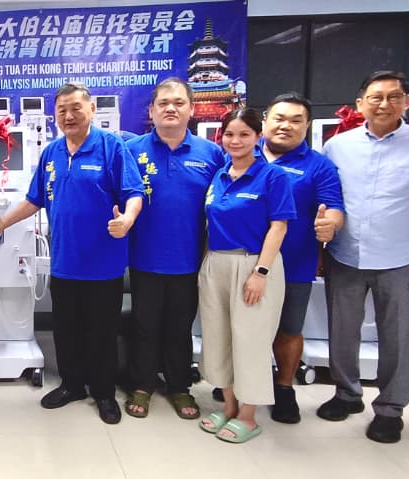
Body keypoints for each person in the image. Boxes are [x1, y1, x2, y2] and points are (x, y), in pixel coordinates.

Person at [319, 70, 409, 444]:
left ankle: (389, 409)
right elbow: (327, 198)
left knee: (398, 337)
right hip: (345, 255)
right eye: (376, 97)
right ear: (360, 104)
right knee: (342, 332)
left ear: (406, 102)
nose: (384, 104)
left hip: (401, 258)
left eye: (393, 96)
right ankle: (347, 393)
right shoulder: (338, 146)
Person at [0, 82, 144, 424]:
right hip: (64, 262)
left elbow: (134, 192)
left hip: (103, 264)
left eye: (75, 108)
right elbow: (34, 200)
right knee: (66, 331)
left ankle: (104, 393)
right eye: (62, 110)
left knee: (102, 332)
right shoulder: (52, 152)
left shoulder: (111, 146)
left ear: (91, 109)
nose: (68, 116)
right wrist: (0, 223)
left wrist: (127, 219)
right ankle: (72, 385)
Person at [122, 78, 223, 419]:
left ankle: (180, 387)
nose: (171, 108)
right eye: (163, 103)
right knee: (145, 326)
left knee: (181, 328)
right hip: (144, 258)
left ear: (191, 109)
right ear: (151, 110)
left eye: (179, 103)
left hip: (190, 259)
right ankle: (142, 385)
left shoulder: (211, 154)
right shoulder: (132, 150)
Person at [196, 108, 295, 444]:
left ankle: (248, 416)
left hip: (253, 264)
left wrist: (260, 272)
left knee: (250, 340)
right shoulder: (219, 175)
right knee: (218, 337)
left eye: (244, 134)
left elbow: (279, 227)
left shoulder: (273, 176)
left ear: (258, 137)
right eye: (229, 134)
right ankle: (228, 405)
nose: (235, 141)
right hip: (216, 263)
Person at [260, 93, 345, 424]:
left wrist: (330, 225)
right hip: (242, 261)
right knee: (245, 327)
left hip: (293, 262)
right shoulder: (241, 154)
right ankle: (246, 381)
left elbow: (333, 207)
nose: (286, 126)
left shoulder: (318, 165)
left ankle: (283, 388)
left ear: (307, 126)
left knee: (289, 329)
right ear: (265, 120)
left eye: (296, 120)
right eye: (279, 118)